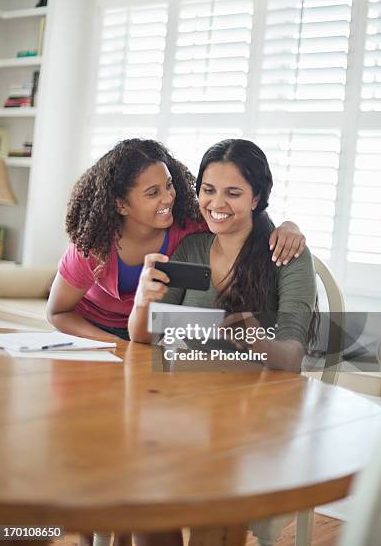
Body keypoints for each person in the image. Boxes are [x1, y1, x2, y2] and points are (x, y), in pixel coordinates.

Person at [128, 138, 317, 546]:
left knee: (209, 489)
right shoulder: (193, 246)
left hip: (254, 418)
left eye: (233, 193)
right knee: (145, 487)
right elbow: (143, 337)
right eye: (208, 190)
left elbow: (290, 358)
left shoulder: (286, 255)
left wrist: (246, 333)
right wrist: (144, 297)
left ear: (258, 197)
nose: (217, 203)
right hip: (186, 404)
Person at [47, 138, 306, 343]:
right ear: (122, 204)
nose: (169, 198)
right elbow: (57, 313)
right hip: (93, 334)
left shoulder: (187, 226)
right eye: (153, 193)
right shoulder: (92, 247)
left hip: (145, 332)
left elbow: (239, 214)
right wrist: (113, 342)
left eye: (169, 185)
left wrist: (287, 226)